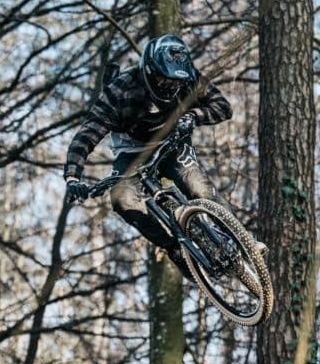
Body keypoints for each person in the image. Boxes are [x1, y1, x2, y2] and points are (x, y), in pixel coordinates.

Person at [64, 34, 233, 278]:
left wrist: (194, 116)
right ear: (149, 71)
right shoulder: (120, 90)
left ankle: (238, 238)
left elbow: (223, 107)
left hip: (173, 141)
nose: (169, 86)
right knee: (122, 200)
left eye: (174, 82)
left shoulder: (188, 77)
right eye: (163, 79)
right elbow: (87, 134)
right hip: (133, 150)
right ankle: (174, 248)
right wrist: (72, 176)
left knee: (198, 189)